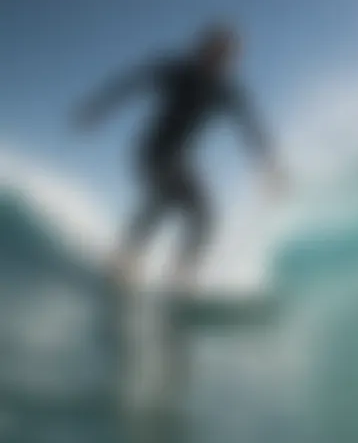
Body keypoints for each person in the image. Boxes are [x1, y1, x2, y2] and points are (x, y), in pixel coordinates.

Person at [72, 23, 287, 291]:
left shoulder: (227, 91)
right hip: (153, 150)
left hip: (179, 158)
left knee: (205, 217)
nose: (223, 59)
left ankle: (180, 275)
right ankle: (124, 260)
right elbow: (129, 84)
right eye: (217, 51)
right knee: (164, 196)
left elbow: (252, 130)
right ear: (202, 48)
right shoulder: (177, 71)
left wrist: (270, 169)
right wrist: (95, 110)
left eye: (229, 55)